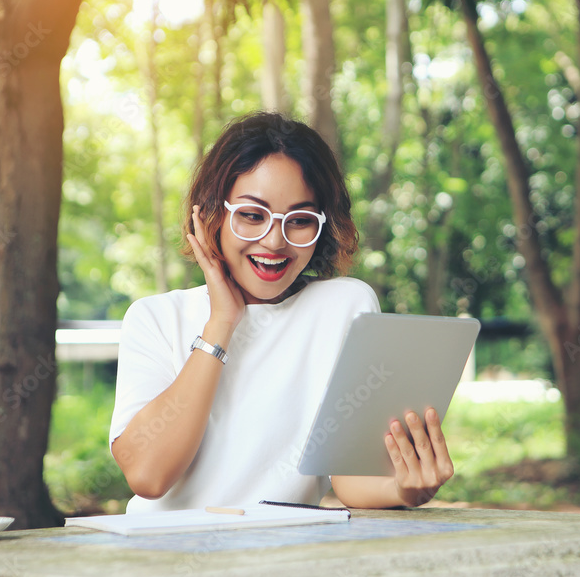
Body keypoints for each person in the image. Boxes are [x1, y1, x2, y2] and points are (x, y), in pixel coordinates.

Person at [110, 112, 454, 513]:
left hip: (282, 546)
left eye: (300, 220)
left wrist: (404, 489)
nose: (275, 241)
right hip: (161, 547)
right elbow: (148, 476)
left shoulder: (344, 306)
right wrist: (221, 323)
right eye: (252, 216)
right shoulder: (154, 318)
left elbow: (351, 478)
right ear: (209, 215)